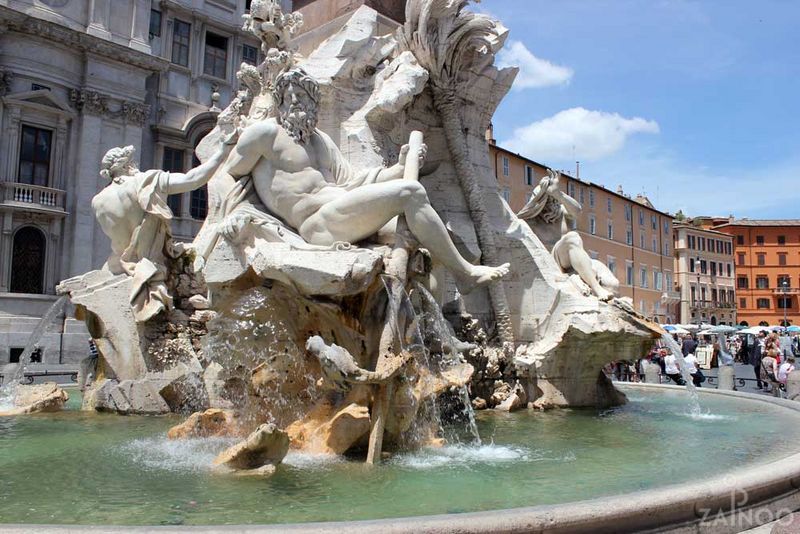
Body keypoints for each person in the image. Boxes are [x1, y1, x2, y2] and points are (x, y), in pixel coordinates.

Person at [219, 67, 510, 289]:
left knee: (422, 249)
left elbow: (355, 182)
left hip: (341, 212)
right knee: (410, 192)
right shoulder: (265, 134)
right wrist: (235, 216)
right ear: (279, 101)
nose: (295, 100)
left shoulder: (320, 142)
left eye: (302, 94)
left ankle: (437, 343)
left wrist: (397, 168)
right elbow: (228, 176)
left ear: (313, 102)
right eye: (287, 95)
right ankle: (466, 272)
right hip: (316, 225)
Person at [93, 139, 234, 321]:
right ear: (127, 165)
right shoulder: (145, 182)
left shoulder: (98, 201)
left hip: (119, 268)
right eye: (133, 162)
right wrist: (222, 152)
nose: (136, 166)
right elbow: (193, 179)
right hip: (151, 267)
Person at [517, 170, 618, 301]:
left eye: (553, 200)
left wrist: (558, 194)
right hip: (552, 262)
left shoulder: (563, 212)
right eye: (547, 200)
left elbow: (577, 210)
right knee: (572, 237)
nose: (551, 204)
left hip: (575, 258)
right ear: (539, 202)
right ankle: (597, 289)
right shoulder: (531, 221)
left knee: (613, 285)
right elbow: (516, 221)